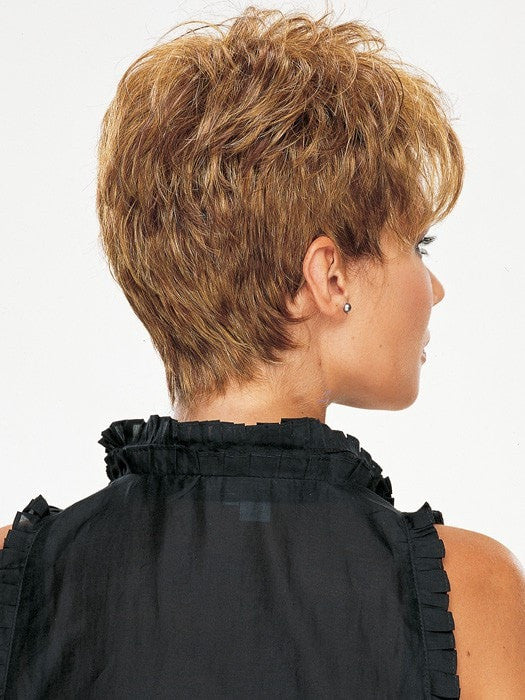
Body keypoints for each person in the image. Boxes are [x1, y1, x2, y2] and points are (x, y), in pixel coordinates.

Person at [1, 6, 524, 698]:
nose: (435, 288)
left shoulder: (18, 578)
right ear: (328, 277)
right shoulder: (472, 594)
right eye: (417, 245)